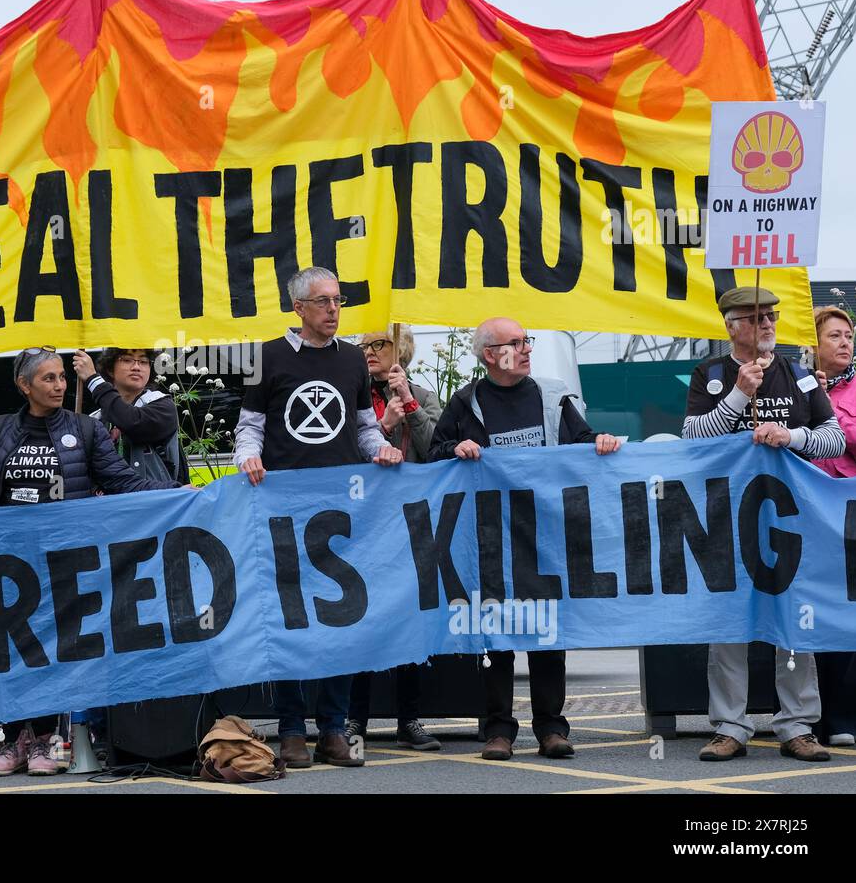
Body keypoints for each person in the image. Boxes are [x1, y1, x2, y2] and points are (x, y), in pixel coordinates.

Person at [0, 346, 184, 776]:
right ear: (24, 385)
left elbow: (120, 480)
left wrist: (175, 493)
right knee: (11, 651)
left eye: (62, 378)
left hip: (64, 558)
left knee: (53, 649)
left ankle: (47, 742)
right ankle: (14, 742)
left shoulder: (85, 429)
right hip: (8, 560)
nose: (60, 385)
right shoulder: (0, 430)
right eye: (48, 379)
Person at [428, 317, 620, 761]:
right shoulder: (465, 402)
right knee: (496, 636)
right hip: (490, 539)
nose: (528, 348)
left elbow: (584, 441)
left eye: (527, 340)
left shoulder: (552, 396)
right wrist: (455, 451)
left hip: (546, 534)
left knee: (546, 634)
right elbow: (434, 456)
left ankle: (552, 729)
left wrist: (603, 442)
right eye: (517, 343)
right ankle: (498, 731)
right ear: (491, 355)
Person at [233, 267, 403, 769]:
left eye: (338, 300)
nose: (333, 310)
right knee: (290, 617)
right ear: (298, 308)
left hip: (344, 509)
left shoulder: (353, 360)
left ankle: (333, 729)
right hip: (283, 511)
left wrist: (384, 451)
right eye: (323, 301)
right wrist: (248, 457)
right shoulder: (265, 357)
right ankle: (290, 730)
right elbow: (250, 429)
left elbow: (365, 429)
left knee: (341, 616)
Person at [682, 286, 843, 763]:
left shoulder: (800, 375)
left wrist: (789, 435)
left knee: (795, 619)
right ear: (732, 327)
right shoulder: (709, 373)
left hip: (791, 517)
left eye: (771, 316)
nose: (769, 324)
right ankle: (731, 726)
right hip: (726, 516)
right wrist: (738, 396)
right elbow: (692, 438)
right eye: (755, 319)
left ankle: (796, 725)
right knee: (729, 620)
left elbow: (833, 439)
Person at [346, 327, 443, 750]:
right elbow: (346, 456)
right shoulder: (352, 395)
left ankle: (410, 719)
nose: (368, 352)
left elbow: (437, 448)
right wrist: (382, 426)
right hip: (364, 525)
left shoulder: (423, 394)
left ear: (400, 348)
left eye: (378, 345)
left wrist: (409, 404)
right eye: (363, 346)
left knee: (410, 623)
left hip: (412, 525)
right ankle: (354, 721)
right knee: (361, 621)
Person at [809, 305, 856, 746]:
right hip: (810, 518)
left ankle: (847, 715)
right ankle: (826, 717)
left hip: (853, 519)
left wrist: (830, 414)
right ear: (814, 345)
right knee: (820, 619)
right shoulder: (794, 389)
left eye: (849, 336)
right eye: (836, 336)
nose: (845, 343)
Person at [74, 347, 188, 483]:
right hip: (111, 502)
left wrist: (93, 380)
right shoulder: (95, 419)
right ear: (110, 369)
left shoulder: (163, 405)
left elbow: (132, 422)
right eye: (127, 360)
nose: (136, 367)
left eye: (144, 362)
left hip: (158, 500)